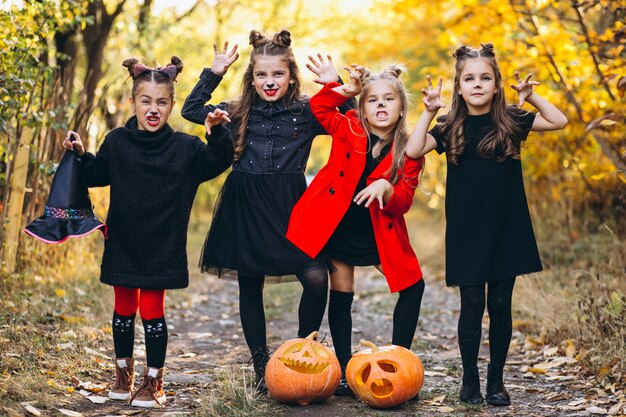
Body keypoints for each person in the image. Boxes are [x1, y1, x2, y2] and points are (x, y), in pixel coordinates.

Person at [181, 30, 354, 391]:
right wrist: (213, 73)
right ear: (252, 78)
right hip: (245, 204)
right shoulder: (237, 111)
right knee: (250, 283)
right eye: (262, 75)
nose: (269, 81)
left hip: (292, 207)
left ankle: (299, 352)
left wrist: (335, 83)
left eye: (277, 74)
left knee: (316, 277)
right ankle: (262, 365)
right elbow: (190, 109)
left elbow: (354, 122)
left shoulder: (307, 112)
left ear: (291, 75)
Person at [63, 56, 233, 408]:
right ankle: (123, 374)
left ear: (171, 105)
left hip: (163, 242)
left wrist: (216, 132)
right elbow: (95, 174)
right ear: (133, 103)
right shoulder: (117, 142)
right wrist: (81, 154)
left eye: (161, 102)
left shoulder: (186, 149)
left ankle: (154, 380)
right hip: (124, 239)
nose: (153, 109)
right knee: (123, 309)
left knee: (153, 311)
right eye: (146, 101)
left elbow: (218, 161)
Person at [405, 43, 568, 406]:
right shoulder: (449, 126)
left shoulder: (511, 120)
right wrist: (428, 112)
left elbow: (559, 121)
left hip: (506, 228)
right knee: (472, 304)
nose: (477, 84)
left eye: (485, 78)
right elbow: (413, 150)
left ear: (496, 85)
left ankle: (496, 381)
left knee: (501, 304)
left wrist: (531, 97)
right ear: (458, 87)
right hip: (466, 230)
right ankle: (470, 380)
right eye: (469, 78)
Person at [287, 61, 426, 396]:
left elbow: (405, 199)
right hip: (337, 224)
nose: (380, 104)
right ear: (362, 108)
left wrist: (386, 189)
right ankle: (346, 370)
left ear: (401, 106)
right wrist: (346, 89)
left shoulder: (410, 148)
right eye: (372, 99)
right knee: (342, 293)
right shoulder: (348, 126)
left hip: (378, 230)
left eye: (389, 99)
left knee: (413, 286)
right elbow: (320, 107)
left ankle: (400, 361)